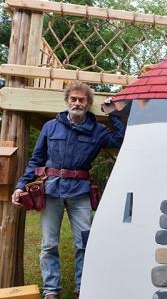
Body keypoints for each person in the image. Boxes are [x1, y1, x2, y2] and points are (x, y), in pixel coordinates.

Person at [11, 81, 126, 299]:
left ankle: (82, 289)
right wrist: (20, 186)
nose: (77, 102)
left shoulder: (98, 131)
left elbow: (120, 139)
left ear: (88, 103)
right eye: (73, 98)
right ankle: (52, 291)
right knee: (48, 244)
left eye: (81, 99)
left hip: (80, 193)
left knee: (84, 243)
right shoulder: (50, 127)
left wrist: (113, 114)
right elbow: (36, 160)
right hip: (52, 191)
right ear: (67, 101)